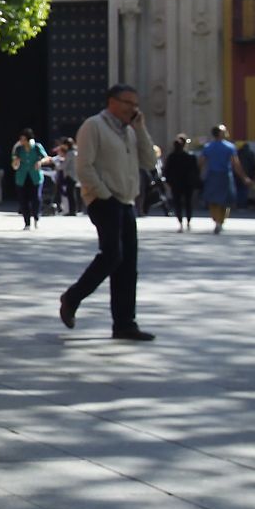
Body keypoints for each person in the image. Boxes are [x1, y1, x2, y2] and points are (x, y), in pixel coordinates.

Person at [58, 84, 159, 340]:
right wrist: (102, 193)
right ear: (112, 102)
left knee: (128, 264)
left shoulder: (131, 131)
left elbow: (148, 162)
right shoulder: (93, 126)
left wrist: (141, 128)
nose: (133, 109)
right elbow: (84, 166)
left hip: (126, 201)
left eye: (136, 104)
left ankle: (125, 323)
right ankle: (72, 297)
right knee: (112, 255)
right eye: (128, 103)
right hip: (104, 200)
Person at [198, 124, 251, 234]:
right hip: (225, 175)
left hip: (212, 175)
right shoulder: (229, 147)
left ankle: (217, 220)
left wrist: (199, 174)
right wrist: (244, 177)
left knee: (213, 200)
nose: (226, 132)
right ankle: (220, 221)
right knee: (226, 200)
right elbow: (236, 164)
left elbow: (201, 162)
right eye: (224, 131)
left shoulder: (208, 147)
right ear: (220, 133)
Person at [11, 128, 47, 229]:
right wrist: (16, 162)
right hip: (22, 177)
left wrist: (40, 162)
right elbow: (14, 163)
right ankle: (27, 222)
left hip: (35, 176)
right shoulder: (18, 149)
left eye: (23, 139)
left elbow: (46, 157)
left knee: (36, 198)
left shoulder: (36, 147)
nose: (21, 141)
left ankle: (36, 218)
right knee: (23, 200)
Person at [162, 134, 199, 231]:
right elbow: (195, 171)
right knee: (188, 203)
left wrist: (168, 181)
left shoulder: (171, 156)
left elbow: (166, 170)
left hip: (176, 183)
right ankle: (188, 221)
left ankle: (180, 222)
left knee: (177, 203)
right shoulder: (190, 157)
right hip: (188, 183)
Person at [55, 137, 80, 215]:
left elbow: (65, 164)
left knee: (70, 194)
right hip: (74, 175)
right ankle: (73, 210)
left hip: (70, 175)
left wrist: (58, 166)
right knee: (72, 193)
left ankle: (72, 211)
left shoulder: (70, 153)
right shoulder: (75, 152)